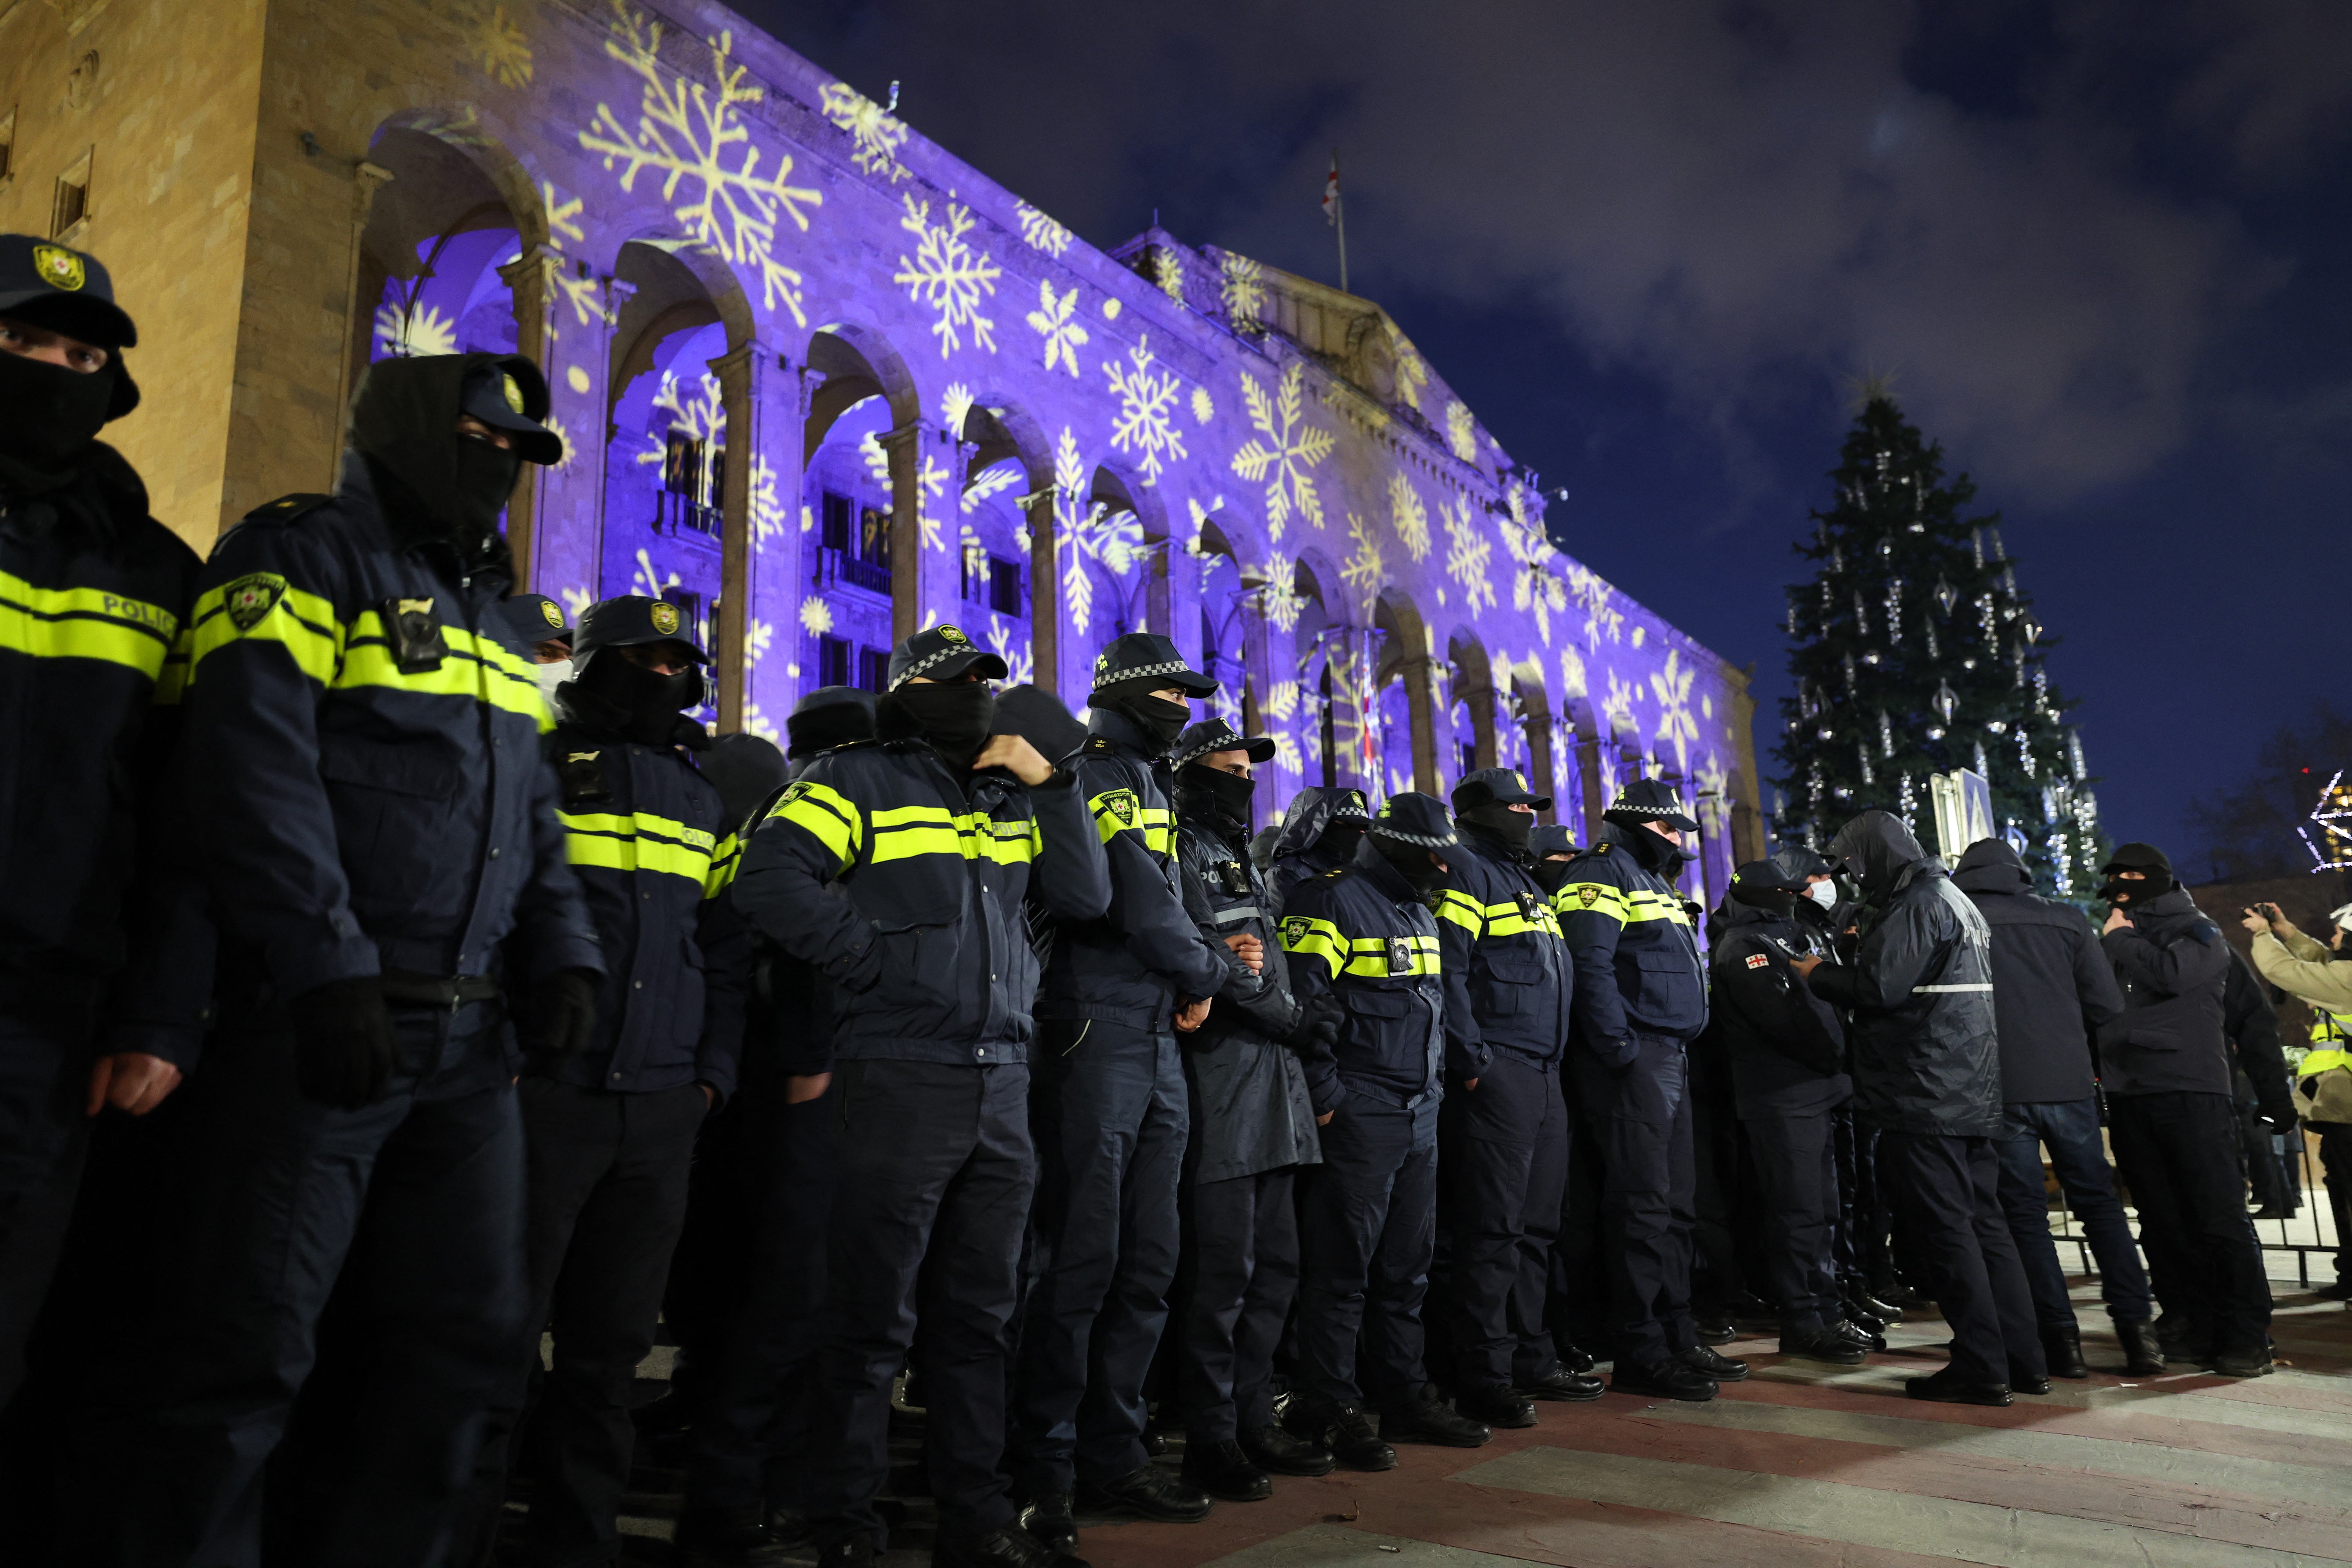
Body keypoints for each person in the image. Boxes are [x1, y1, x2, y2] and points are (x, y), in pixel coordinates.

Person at [133, 351, 602, 1566]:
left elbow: (531, 814)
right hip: (320, 1028)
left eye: (516, 454)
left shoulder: (503, 618)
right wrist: (326, 961)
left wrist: (565, 954)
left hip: (464, 1052)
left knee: (455, 1349)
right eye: (474, 439)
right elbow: (253, 772)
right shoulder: (297, 555)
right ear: (405, 428)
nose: (494, 468)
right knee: (247, 1354)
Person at [732, 626, 1109, 1568]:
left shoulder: (1009, 796)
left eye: (990, 679)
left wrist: (1054, 785)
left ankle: (975, 1518)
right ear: (910, 689)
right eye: (958, 681)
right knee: (871, 1316)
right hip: (897, 1073)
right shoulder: (856, 780)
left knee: (979, 1316)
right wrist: (870, 964)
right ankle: (845, 1522)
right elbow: (769, 877)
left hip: (1001, 1083)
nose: (979, 693)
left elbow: (1086, 895)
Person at [457, 596, 750, 1567]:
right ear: (588, 666)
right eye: (638, 660)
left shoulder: (698, 793)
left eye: (677, 663)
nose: (660, 677)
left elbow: (722, 951)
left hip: (658, 1113)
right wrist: (501, 1061)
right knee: (492, 1350)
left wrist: (705, 1080)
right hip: (542, 1100)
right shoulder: (535, 762)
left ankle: (574, 1548)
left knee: (607, 1363)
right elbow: (487, 914)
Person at [0, 234, 205, 1410]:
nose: (53, 367)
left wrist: (161, 1010)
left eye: (80, 352)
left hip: (45, 1029)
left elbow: (182, 815)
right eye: (23, 340)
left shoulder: (154, 570)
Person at [1016, 633, 1239, 1539]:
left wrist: (1195, 973)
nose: (1181, 707)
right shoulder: (1100, 772)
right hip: (1092, 1028)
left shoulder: (1151, 784)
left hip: (1151, 1037)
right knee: (1079, 1262)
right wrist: (1211, 970)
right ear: (1121, 695)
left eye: (1190, 695)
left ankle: (1115, 1453)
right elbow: (1135, 898)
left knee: (1148, 1264)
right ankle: (1042, 1468)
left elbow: (1175, 897)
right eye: (1168, 694)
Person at [676, 693, 869, 1563]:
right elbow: (789, 954)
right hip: (791, 1095)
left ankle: (772, 1487)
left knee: (773, 1298)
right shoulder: (807, 822)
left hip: (762, 1093)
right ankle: (734, 1496)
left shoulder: (783, 810)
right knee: (787, 1300)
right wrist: (806, 1060)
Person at [1799, 811, 2042, 1408]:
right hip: (1969, 1090)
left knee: (1949, 1233)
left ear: (1872, 860)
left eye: (1853, 870)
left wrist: (1817, 973)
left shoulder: (1918, 903)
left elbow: (1881, 989)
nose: (1851, 883)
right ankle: (2022, 1359)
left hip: (1925, 1094)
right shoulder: (1953, 898)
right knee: (1988, 1228)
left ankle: (1982, 1367)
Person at [1276, 793, 1492, 1463]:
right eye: (1433, 855)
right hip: (1361, 1110)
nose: (1444, 869)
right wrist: (1326, 1096)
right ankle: (1330, 1405)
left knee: (1407, 1271)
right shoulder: (1329, 899)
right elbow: (1302, 1004)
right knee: (1342, 1273)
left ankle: (1402, 1398)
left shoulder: (1417, 909)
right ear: (1395, 846)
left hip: (1418, 1110)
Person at [1163, 718, 1328, 1501]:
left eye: (1246, 768)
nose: (1242, 779)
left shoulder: (1240, 857)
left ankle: (1255, 1414)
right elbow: (1218, 963)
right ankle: (1211, 1433)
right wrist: (1289, 1015)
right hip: (1222, 1083)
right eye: (1225, 767)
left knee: (1276, 1269)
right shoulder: (1183, 847)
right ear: (1191, 772)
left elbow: (1260, 959)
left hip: (1274, 1090)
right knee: (1221, 1274)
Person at [1553, 779, 1734, 1402]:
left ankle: (1677, 1333)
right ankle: (1640, 1349)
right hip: (1636, 1062)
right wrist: (1619, 1050)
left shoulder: (1654, 881)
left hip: (1671, 1057)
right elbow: (1590, 964)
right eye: (1668, 830)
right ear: (1635, 826)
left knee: (1677, 1207)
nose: (1679, 842)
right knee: (1641, 1209)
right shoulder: (1600, 873)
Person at [1947, 839, 2151, 1378]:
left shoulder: (1959, 923)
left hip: (1998, 1088)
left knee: (2025, 1218)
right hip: (2067, 1087)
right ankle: (2139, 1334)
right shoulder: (2065, 921)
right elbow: (2107, 1006)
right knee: (2100, 1209)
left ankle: (2062, 1344)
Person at [1430, 768, 1595, 1423]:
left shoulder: (1526, 882)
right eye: (1517, 804)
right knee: (1491, 1230)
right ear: (1479, 812)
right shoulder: (1465, 871)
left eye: (1533, 805)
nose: (1528, 813)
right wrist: (1473, 1061)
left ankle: (1531, 1354)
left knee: (1536, 1227)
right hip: (1500, 1072)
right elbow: (1449, 966)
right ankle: (1483, 1370)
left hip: (1544, 1072)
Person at [2091, 844, 2274, 1376]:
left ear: (2161, 881)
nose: (2121, 887)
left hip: (2191, 1093)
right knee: (2162, 1221)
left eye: (2133, 878)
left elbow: (2174, 976)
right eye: (2116, 878)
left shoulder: (2199, 931)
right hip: (2131, 1095)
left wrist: (2121, 937)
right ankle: (2189, 1321)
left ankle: (2246, 1335)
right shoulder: (2114, 941)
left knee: (2218, 1219)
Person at [1705, 861, 1866, 1365]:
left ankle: (1826, 1309)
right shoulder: (1744, 946)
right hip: (1782, 1095)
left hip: (1818, 1091)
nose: (1796, 897)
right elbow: (1781, 1018)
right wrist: (1833, 1056)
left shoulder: (1794, 936)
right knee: (1797, 1212)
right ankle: (1802, 1319)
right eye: (1787, 891)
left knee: (1822, 1210)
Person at [2244, 899, 2352, 1300]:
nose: (2333, 939)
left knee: (2349, 1194)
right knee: (2342, 1190)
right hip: (2344, 1109)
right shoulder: (2345, 974)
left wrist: (2262, 933)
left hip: (2349, 1112)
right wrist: (2287, 930)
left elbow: (2285, 972)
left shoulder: (2347, 979)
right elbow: (2323, 961)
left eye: (2341, 934)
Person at [1264, 784, 1374, 915]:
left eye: (1363, 828)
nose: (1359, 834)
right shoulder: (1287, 874)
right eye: (1348, 825)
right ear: (1318, 826)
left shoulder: (1360, 873)